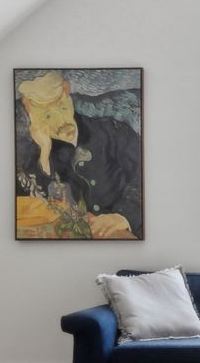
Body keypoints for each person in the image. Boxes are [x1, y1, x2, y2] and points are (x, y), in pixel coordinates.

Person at [14, 71, 141, 239]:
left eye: (61, 106)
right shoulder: (33, 157)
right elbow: (42, 207)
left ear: (67, 92)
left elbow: (145, 177)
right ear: (30, 112)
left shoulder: (113, 131)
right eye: (46, 115)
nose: (60, 121)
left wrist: (123, 216)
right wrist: (44, 155)